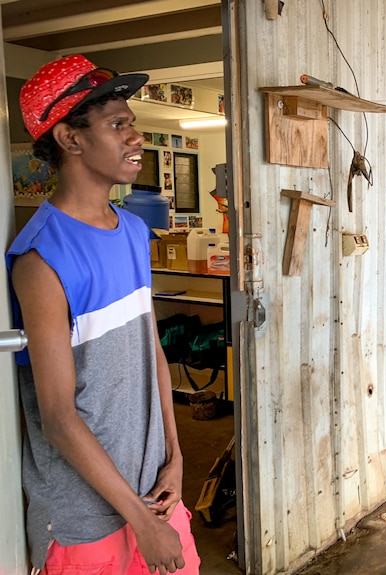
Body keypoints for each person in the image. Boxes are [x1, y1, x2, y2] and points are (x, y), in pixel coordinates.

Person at [7, 54, 200, 574]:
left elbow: (152, 352)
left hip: (155, 494)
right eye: (118, 125)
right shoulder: (42, 258)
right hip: (86, 519)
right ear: (71, 139)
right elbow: (59, 418)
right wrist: (138, 519)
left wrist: (176, 457)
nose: (135, 138)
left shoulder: (135, 231)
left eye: (131, 124)